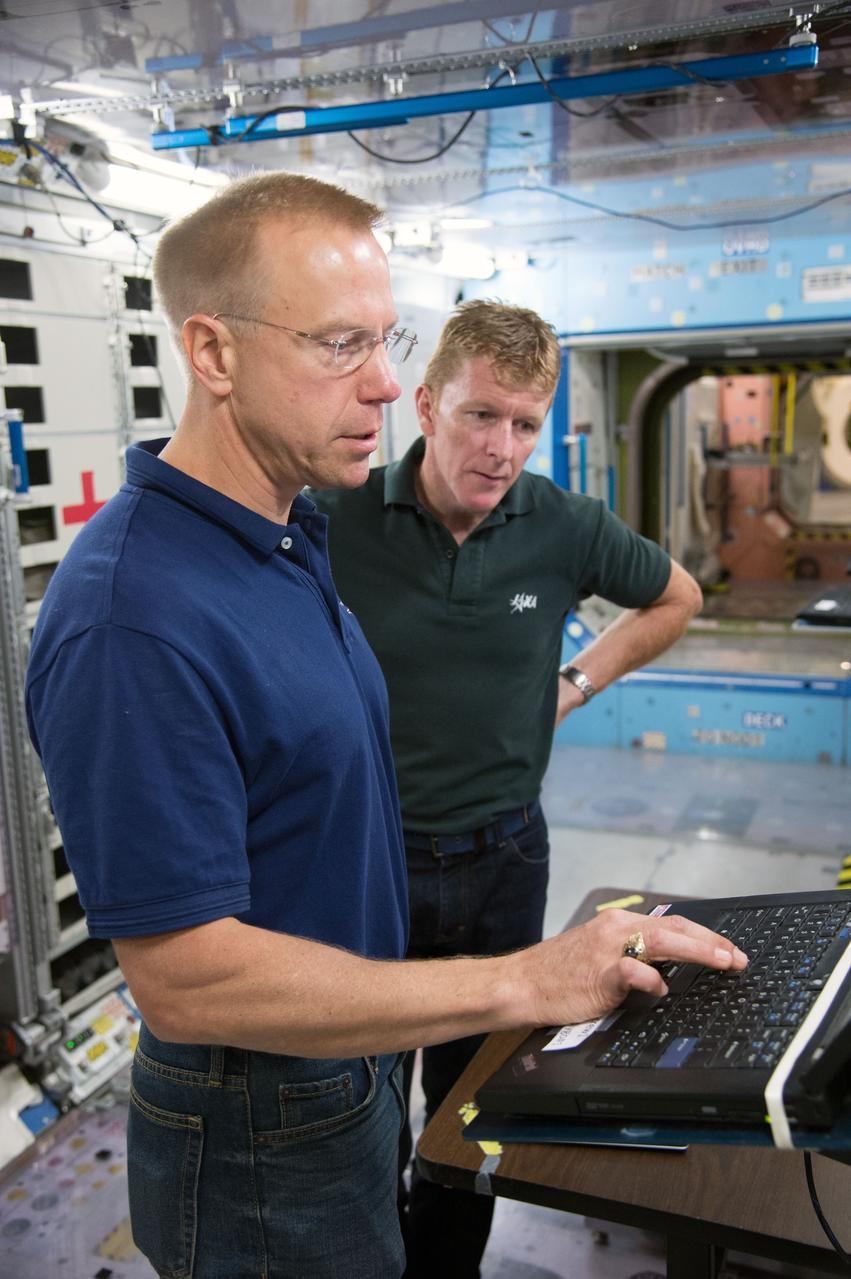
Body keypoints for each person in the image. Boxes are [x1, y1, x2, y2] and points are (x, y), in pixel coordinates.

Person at [25, 174, 745, 1279]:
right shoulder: (136, 613)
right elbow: (185, 977)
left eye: (384, 340)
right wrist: (522, 979)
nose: (379, 383)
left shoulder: (280, 540)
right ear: (212, 353)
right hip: (259, 1123)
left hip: (341, 1066)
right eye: (338, 344)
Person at [311, 299, 705, 1276]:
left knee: (469, 1107)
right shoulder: (335, 515)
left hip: (504, 857)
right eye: (480, 415)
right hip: (369, 860)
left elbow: (675, 596)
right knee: (359, 1102)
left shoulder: (563, 525)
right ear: (425, 407)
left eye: (525, 423)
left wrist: (575, 683)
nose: (501, 448)